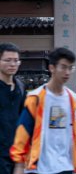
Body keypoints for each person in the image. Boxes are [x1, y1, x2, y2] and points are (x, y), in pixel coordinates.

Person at [11, 47, 76, 174]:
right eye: (63, 67)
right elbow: (23, 132)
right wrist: (19, 166)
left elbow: (71, 133)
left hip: (65, 167)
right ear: (52, 68)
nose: (67, 72)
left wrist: (75, 165)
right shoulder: (35, 98)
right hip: (40, 167)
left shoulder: (72, 99)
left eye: (70, 68)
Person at [0, 43, 25, 174]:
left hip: (16, 153)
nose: (12, 64)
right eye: (7, 60)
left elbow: (23, 120)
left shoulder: (20, 87)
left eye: (16, 61)